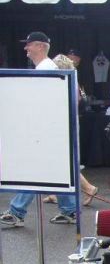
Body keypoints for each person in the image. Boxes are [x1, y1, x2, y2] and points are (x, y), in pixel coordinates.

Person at [0, 32, 77, 228]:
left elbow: (40, 102)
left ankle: (16, 212)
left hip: (45, 129)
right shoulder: (46, 67)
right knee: (53, 169)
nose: (25, 48)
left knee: (34, 171)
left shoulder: (46, 69)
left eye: (29, 44)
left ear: (41, 46)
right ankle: (69, 210)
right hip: (51, 128)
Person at [49, 54, 100, 206]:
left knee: (63, 162)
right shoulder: (73, 81)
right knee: (60, 161)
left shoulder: (63, 82)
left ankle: (88, 188)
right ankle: (54, 192)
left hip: (63, 124)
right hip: (68, 123)